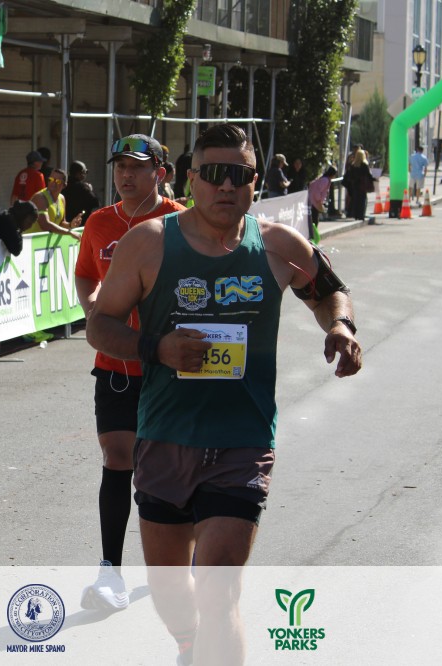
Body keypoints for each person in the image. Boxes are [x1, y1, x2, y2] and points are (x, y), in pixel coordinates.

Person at [85, 123, 361, 665]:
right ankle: (189, 643)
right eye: (214, 174)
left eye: (240, 175)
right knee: (170, 594)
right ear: (192, 179)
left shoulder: (278, 246)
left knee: (219, 592)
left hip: (242, 443)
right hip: (165, 436)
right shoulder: (148, 243)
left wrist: (341, 327)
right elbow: (100, 326)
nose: (227, 186)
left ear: (255, 182)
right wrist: (157, 348)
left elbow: (331, 292)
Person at [73, 132, 185, 612]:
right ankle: (110, 572)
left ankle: (178, 564)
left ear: (159, 172)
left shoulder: (180, 222)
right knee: (117, 456)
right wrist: (92, 307)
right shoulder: (99, 222)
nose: (126, 175)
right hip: (115, 366)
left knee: (169, 467)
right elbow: (85, 272)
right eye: (120, 166)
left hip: (169, 368)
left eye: (137, 167)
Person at [27, 167, 82, 238]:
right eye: (51, 179)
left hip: (43, 242)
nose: (53, 183)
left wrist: (70, 224)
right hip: (30, 242)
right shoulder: (40, 197)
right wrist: (69, 232)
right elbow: (45, 224)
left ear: (64, 185)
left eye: (58, 181)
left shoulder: (62, 198)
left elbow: (61, 223)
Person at [62, 160, 99, 227]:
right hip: (79, 222)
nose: (85, 175)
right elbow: (96, 202)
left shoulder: (63, 185)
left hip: (65, 222)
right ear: (79, 174)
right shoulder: (83, 187)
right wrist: (90, 190)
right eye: (85, 172)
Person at [307, 166, 336, 243]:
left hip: (313, 201)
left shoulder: (323, 179)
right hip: (315, 202)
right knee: (314, 220)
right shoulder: (325, 180)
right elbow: (318, 191)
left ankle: (312, 237)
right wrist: (319, 201)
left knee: (314, 219)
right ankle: (312, 238)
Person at [346, 149, 374, 220]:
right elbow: (368, 175)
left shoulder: (353, 165)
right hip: (362, 185)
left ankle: (356, 214)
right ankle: (361, 215)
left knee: (356, 200)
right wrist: (374, 179)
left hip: (355, 185)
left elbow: (350, 175)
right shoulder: (364, 165)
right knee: (362, 200)